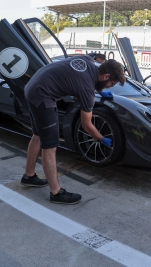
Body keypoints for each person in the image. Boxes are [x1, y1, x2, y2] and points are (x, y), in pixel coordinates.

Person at [21, 55, 125, 204]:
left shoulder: (89, 61)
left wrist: (100, 90)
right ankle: (56, 193)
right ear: (106, 76)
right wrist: (102, 138)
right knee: (50, 146)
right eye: (112, 84)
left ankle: (29, 176)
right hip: (42, 95)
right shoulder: (87, 89)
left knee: (38, 135)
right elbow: (86, 125)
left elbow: (92, 65)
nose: (110, 87)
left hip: (33, 86)